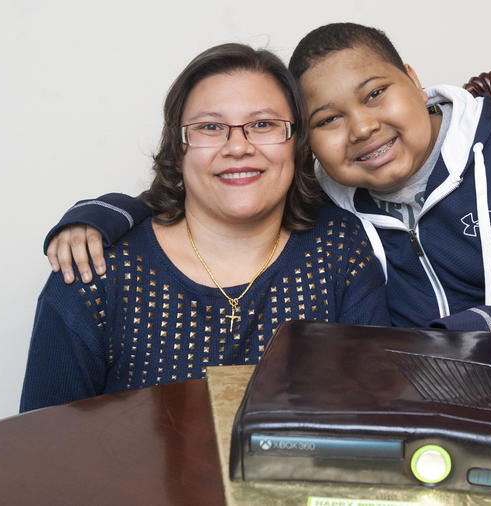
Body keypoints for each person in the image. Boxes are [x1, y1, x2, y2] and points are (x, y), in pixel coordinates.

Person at [43, 23, 491, 355]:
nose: (361, 128)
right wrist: (101, 214)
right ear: (306, 143)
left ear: (413, 78)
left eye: (376, 93)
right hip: (426, 413)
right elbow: (221, 179)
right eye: (328, 120)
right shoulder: (328, 205)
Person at [21, 43, 389, 412]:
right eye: (210, 127)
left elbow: (374, 420)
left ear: (298, 144)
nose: (237, 147)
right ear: (178, 148)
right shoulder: (95, 271)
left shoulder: (340, 251)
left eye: (263, 124)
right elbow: (44, 450)